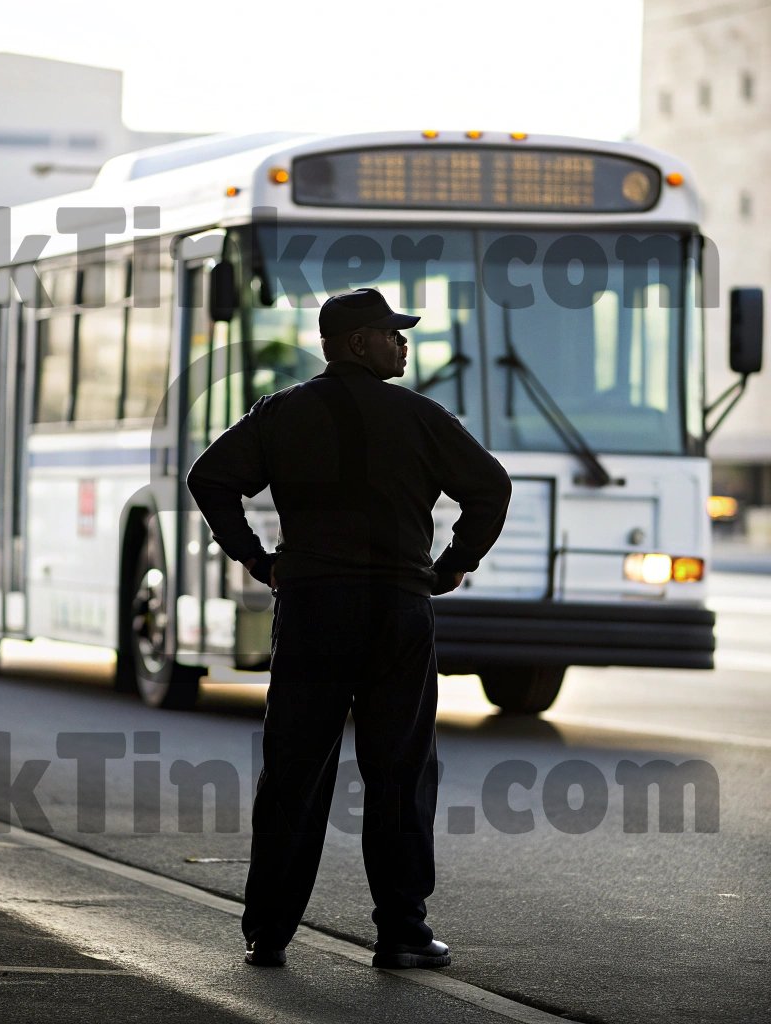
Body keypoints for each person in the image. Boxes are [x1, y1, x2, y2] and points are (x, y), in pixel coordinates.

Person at [186, 287, 512, 970]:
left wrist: (256, 558)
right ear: (359, 343)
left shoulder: (282, 415)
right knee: (399, 770)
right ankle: (402, 932)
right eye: (393, 334)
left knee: (295, 770)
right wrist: (451, 566)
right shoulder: (422, 417)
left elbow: (210, 478)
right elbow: (490, 487)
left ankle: (268, 932)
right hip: (398, 610)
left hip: (312, 609)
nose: (403, 344)